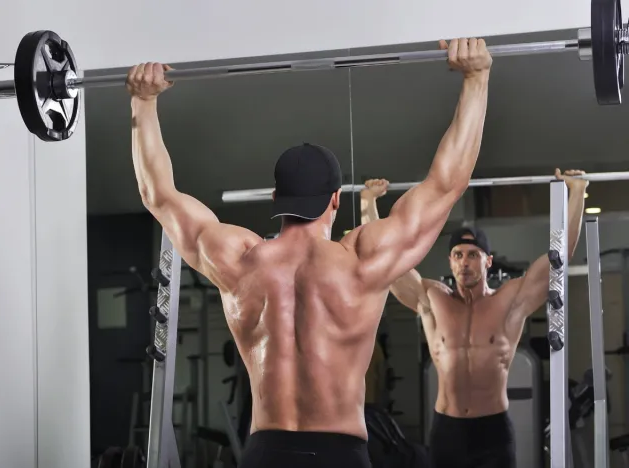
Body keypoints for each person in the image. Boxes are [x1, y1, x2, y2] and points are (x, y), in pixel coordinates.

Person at [125, 37, 492, 468]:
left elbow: (159, 195)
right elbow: (448, 183)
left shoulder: (239, 261)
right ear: (335, 200)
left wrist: (142, 103)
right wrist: (476, 78)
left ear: (277, 197)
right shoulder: (361, 262)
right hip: (340, 454)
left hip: (266, 453)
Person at [360, 170, 588, 468]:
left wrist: (576, 193)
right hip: (447, 430)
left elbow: (559, 260)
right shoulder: (432, 300)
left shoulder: (509, 302)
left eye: (472, 255)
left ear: (487, 261)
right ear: (450, 260)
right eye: (457, 255)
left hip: (492, 432)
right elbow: (383, 261)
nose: (464, 263)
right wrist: (368, 205)